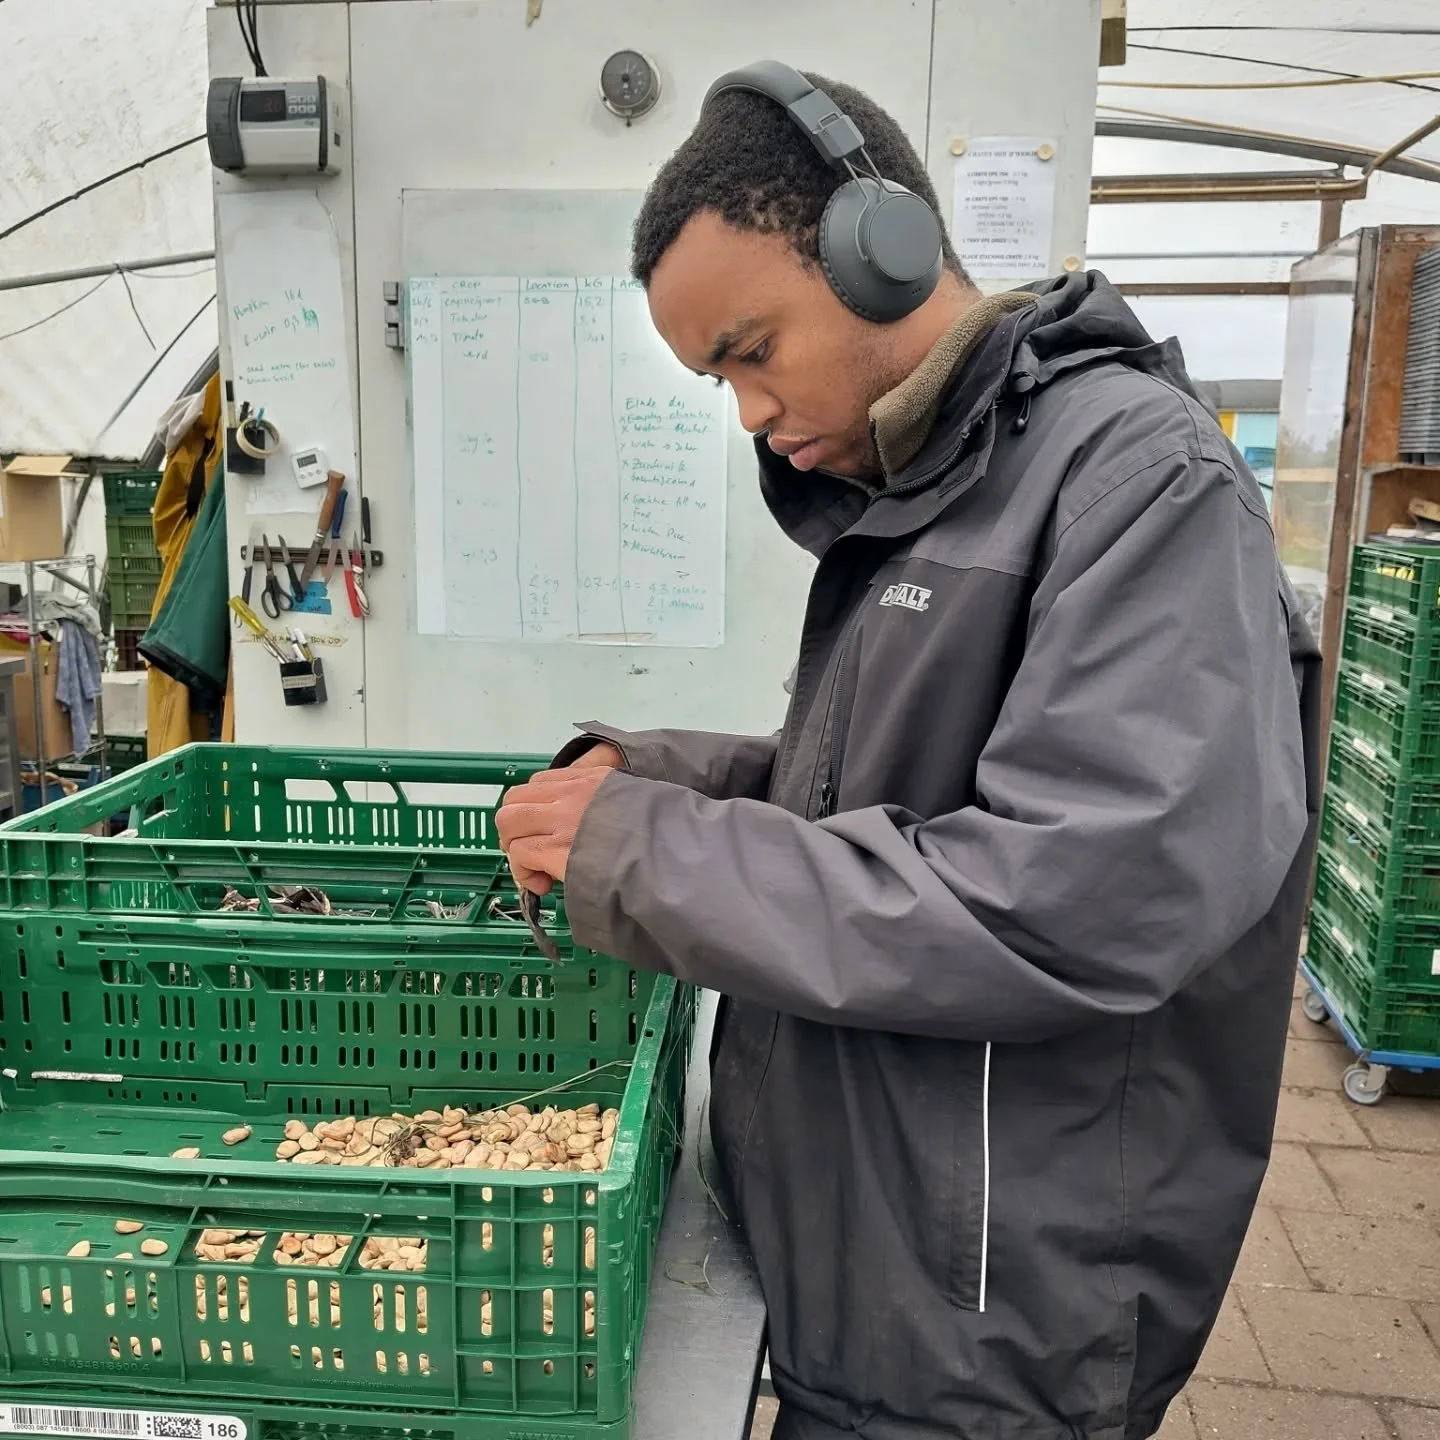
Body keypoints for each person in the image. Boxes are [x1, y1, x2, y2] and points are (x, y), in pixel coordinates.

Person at [497, 61, 1321, 1440]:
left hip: (988, 1333)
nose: (748, 414)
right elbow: (872, 806)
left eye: (752, 351)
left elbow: (1068, 900)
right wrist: (658, 780)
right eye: (719, 379)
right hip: (880, 1283)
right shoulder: (932, 489)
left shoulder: (1138, 489)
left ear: (879, 252)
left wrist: (646, 854)